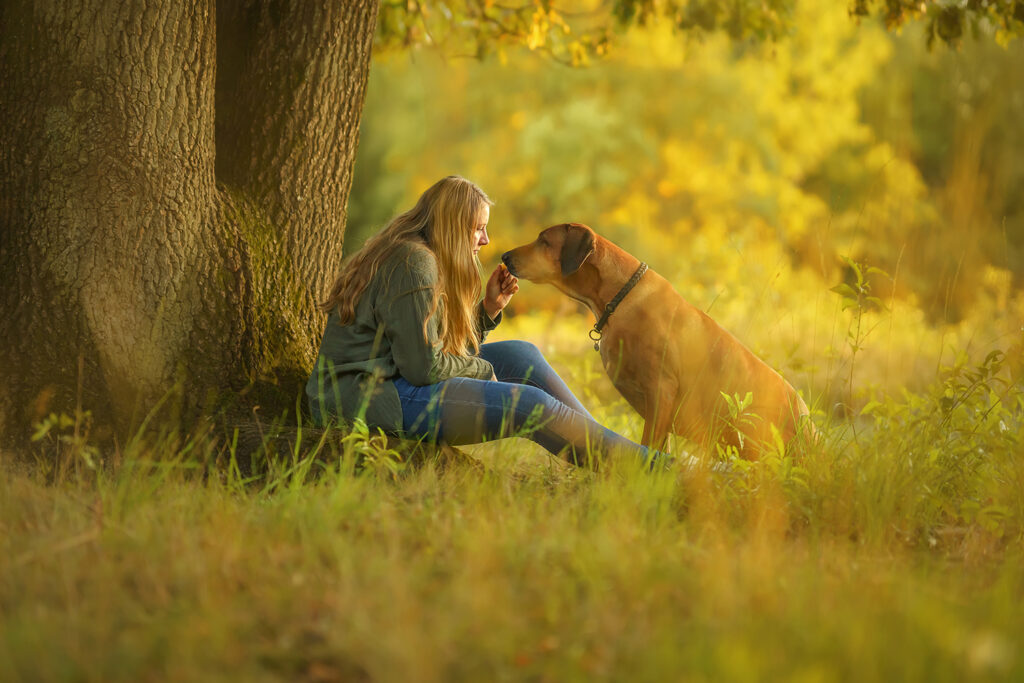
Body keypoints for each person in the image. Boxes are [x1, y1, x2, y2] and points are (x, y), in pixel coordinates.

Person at [306, 175, 663, 469]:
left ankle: (621, 457)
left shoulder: (415, 254)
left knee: (521, 355)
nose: (486, 240)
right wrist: (480, 370)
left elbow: (428, 347)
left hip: (391, 380)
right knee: (530, 405)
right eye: (478, 229)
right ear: (452, 226)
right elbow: (423, 368)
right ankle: (657, 469)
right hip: (370, 397)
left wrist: (488, 310)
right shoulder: (414, 263)